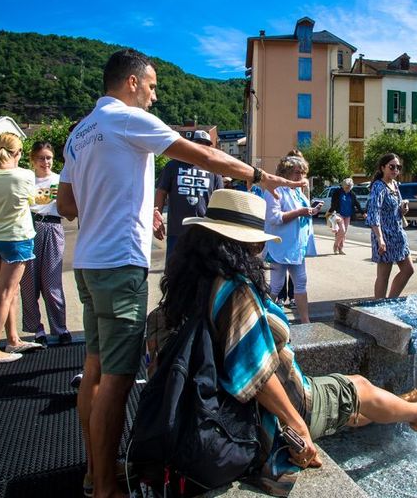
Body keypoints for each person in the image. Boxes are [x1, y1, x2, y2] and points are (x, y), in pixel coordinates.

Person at [56, 48, 305, 498]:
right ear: (131, 82)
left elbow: (67, 206)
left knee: (92, 369)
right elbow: (203, 156)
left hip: (88, 264)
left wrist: (112, 198)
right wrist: (262, 177)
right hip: (119, 262)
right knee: (117, 375)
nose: (153, 96)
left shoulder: (80, 132)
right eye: (151, 86)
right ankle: (107, 489)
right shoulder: (127, 119)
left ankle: (96, 469)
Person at [158, 189, 417, 496]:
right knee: (357, 387)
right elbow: (258, 374)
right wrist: (295, 422)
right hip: (268, 406)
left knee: (345, 408)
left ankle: (401, 403)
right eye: (256, 243)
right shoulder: (234, 290)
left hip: (220, 399)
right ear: (243, 244)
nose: (259, 250)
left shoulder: (187, 284)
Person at [0, 133, 43, 365]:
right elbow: (35, 202)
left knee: (9, 291)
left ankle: (13, 339)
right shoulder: (25, 175)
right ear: (17, 154)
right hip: (16, 239)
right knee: (6, 294)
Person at [20, 141, 70, 347]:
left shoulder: (59, 180)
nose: (45, 162)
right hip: (29, 228)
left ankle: (60, 328)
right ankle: (36, 328)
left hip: (53, 227)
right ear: (33, 159)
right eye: (41, 158)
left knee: (51, 282)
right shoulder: (25, 179)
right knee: (29, 282)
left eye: (48, 157)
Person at [264, 156, 319, 324]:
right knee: (276, 285)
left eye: (303, 173)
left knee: (301, 282)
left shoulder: (296, 191)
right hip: (280, 245)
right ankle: (261, 318)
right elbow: (273, 218)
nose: (301, 176)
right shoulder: (275, 190)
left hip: (296, 246)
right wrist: (300, 212)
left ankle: (305, 321)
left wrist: (311, 210)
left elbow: (301, 213)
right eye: (297, 172)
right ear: (285, 172)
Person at [154, 129, 224, 259]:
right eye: (198, 142)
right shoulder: (173, 166)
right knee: (174, 273)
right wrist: (157, 221)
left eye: (206, 144)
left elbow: (221, 198)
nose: (202, 146)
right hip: (177, 232)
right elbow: (161, 192)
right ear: (191, 144)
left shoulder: (214, 170)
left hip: (205, 233)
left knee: (203, 274)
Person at [366, 153, 413, 298]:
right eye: (391, 167)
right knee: (383, 275)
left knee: (408, 270)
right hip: (384, 235)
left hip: (398, 234)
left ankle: (391, 300)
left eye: (398, 167)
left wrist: (402, 210)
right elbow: (373, 213)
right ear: (382, 168)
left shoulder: (395, 185)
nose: (395, 170)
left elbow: (393, 210)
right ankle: (379, 307)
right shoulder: (379, 186)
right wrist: (380, 238)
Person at [329, 178, 364, 255]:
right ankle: (335, 245)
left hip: (348, 215)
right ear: (343, 186)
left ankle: (340, 248)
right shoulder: (337, 192)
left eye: (349, 187)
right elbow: (333, 203)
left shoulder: (352, 194)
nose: (348, 189)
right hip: (339, 214)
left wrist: (362, 213)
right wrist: (330, 211)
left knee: (343, 233)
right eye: (346, 187)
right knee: (342, 230)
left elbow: (357, 204)